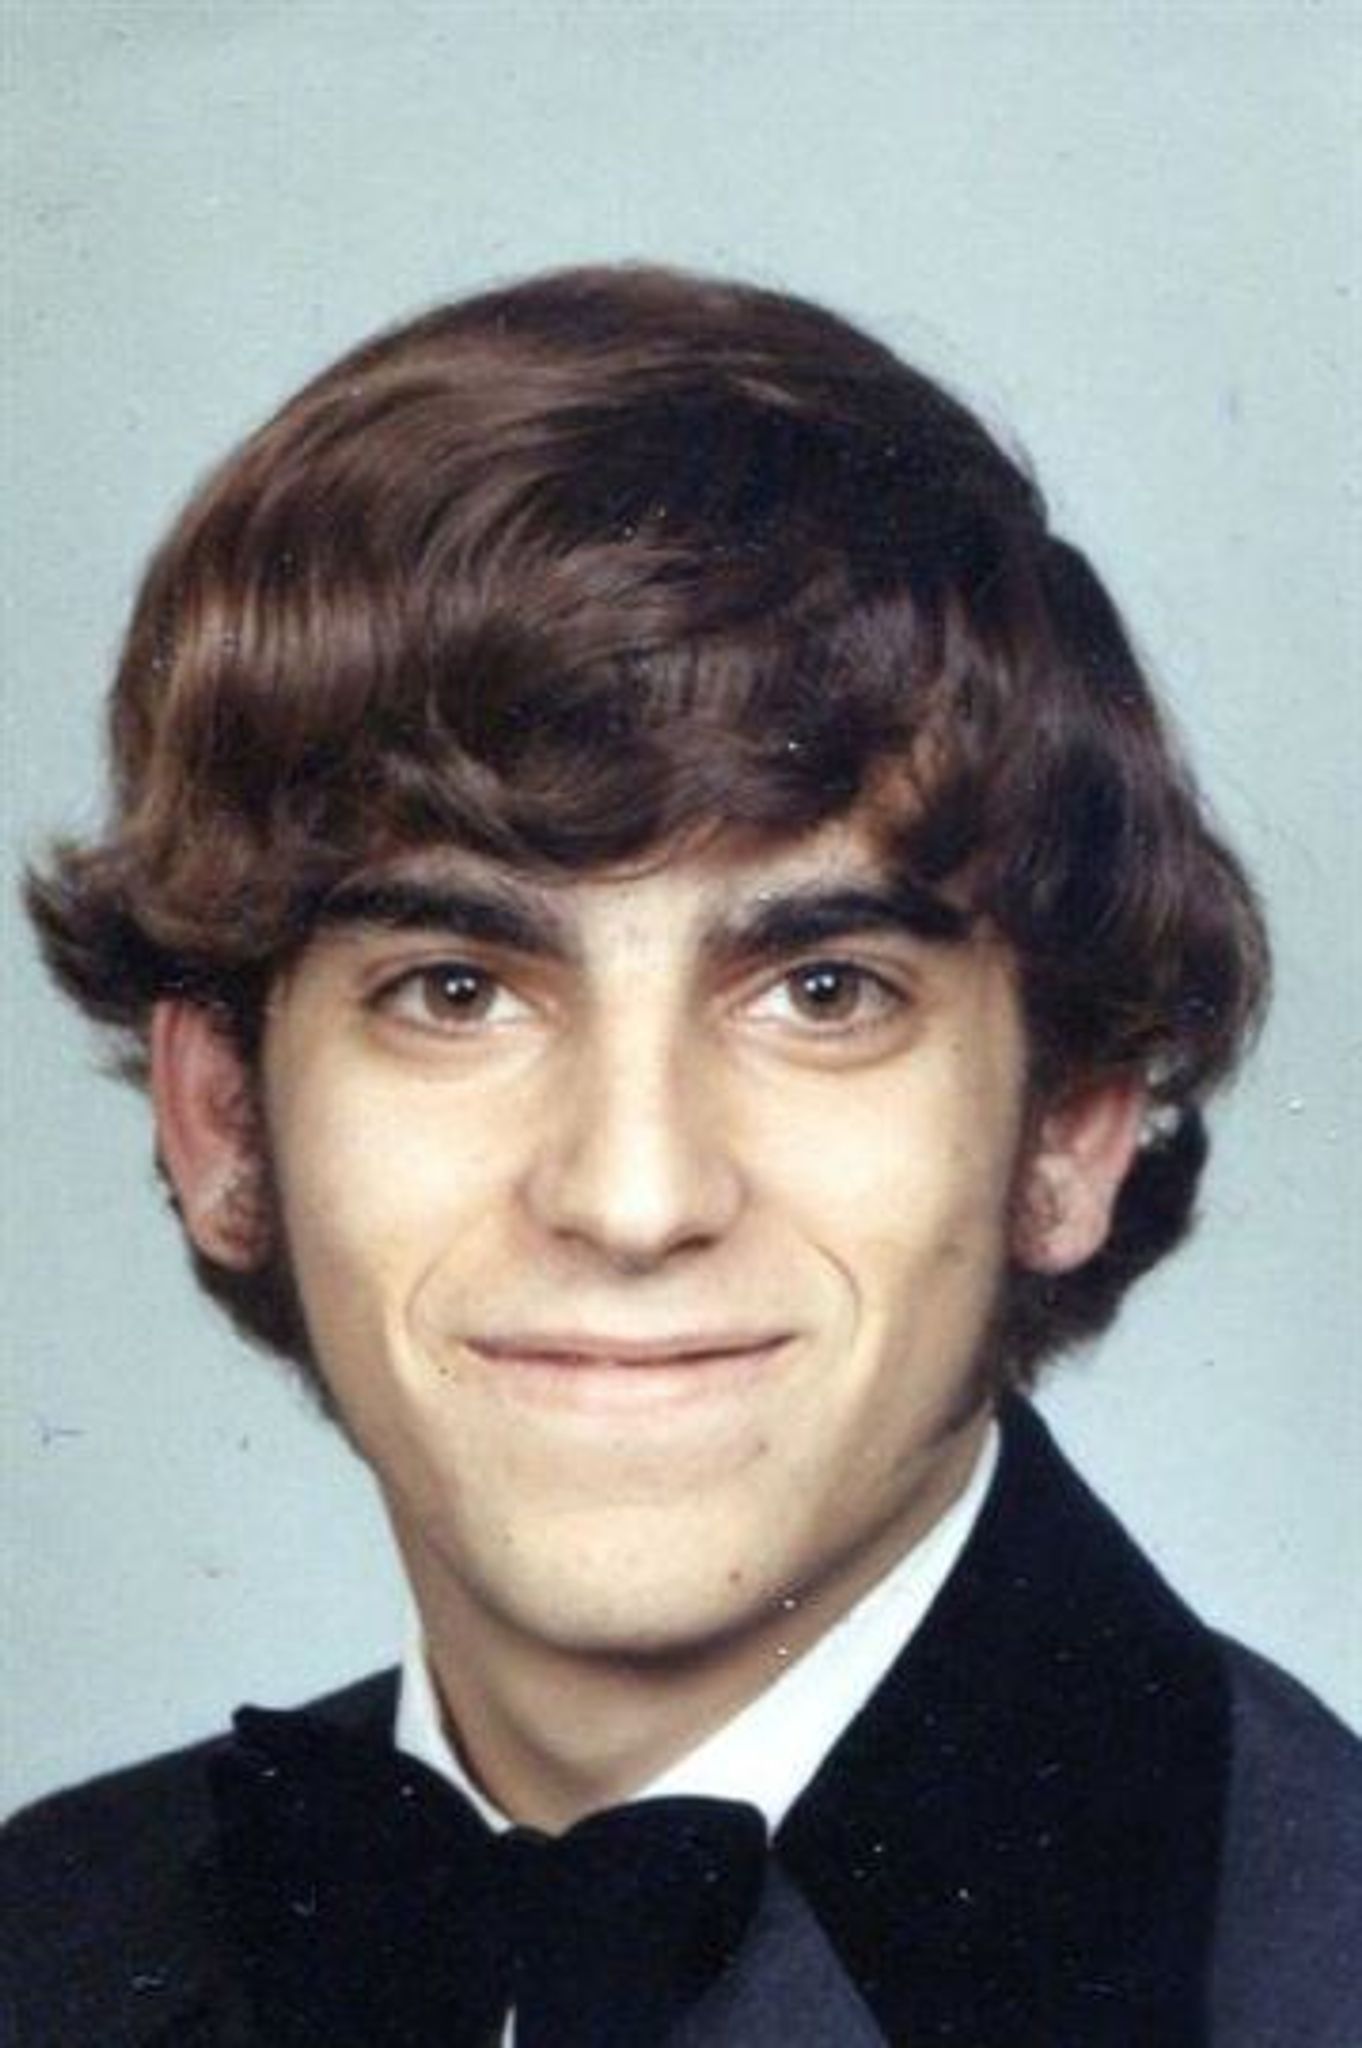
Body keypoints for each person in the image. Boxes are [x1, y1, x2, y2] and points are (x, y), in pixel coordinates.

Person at [3, 264, 1357, 2048]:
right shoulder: (46, 1941)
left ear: (1071, 1124)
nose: (631, 1198)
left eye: (820, 992)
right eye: (457, 990)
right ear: (223, 1125)